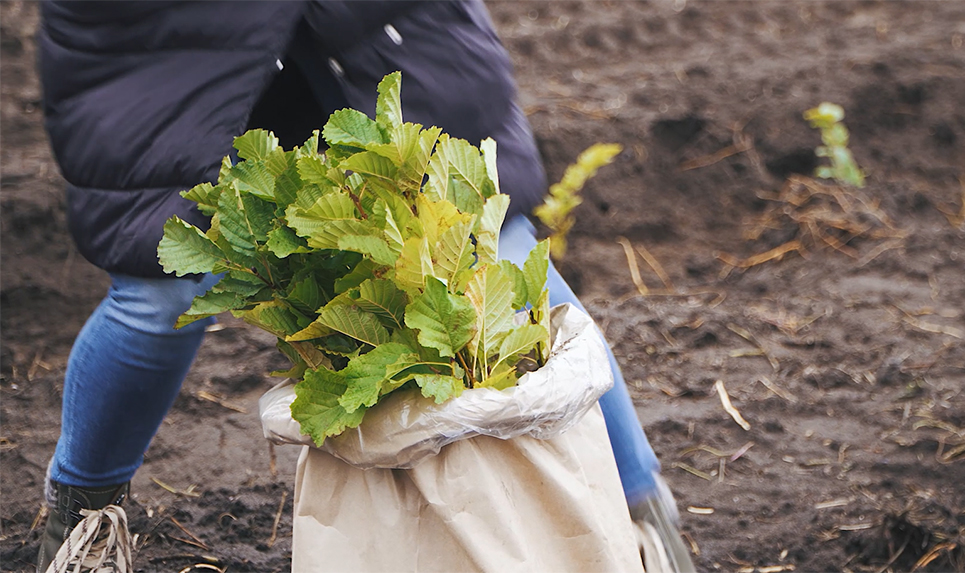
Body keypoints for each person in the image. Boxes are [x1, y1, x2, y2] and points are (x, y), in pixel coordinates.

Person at [35, 1, 695, 572]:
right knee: (160, 289)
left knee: (491, 243)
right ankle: (81, 517)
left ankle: (638, 519)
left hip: (368, 25)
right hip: (169, 36)